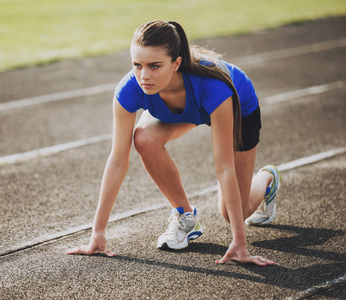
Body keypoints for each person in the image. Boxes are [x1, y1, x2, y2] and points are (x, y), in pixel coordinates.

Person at [66, 20, 281, 266]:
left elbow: (224, 167)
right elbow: (117, 161)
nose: (144, 76)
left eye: (154, 66)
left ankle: (266, 178)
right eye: (137, 65)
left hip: (237, 108)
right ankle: (185, 216)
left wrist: (239, 242)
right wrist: (98, 233)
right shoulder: (130, 89)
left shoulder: (215, 88)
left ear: (176, 63)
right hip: (185, 107)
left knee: (235, 214)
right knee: (144, 140)